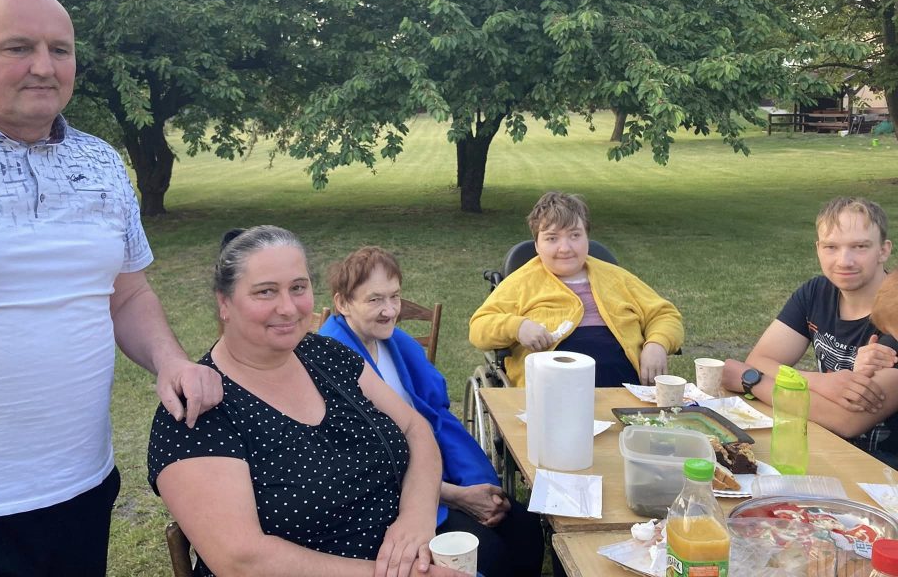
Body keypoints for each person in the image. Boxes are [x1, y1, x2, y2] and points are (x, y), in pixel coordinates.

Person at [0, 0, 222, 577]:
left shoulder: (99, 161)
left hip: (80, 488)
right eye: (18, 48)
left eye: (60, 50)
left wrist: (170, 360)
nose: (43, 66)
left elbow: (127, 292)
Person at [149, 226, 461, 577]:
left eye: (298, 288)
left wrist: (417, 517)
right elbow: (241, 561)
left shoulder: (326, 354)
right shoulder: (197, 409)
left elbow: (414, 427)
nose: (288, 308)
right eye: (266, 292)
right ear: (225, 303)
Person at [320, 247, 544, 577]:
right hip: (388, 498)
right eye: (375, 300)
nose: (389, 310)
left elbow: (437, 418)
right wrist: (460, 497)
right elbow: (365, 465)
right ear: (342, 303)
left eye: (395, 296)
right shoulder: (331, 362)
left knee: (524, 527)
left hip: (433, 470)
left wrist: (476, 484)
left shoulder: (396, 344)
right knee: (490, 554)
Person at [722, 196, 898, 465]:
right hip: (822, 445)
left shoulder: (893, 311)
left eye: (860, 246)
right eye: (831, 247)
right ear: (818, 249)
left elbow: (847, 419)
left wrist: (753, 382)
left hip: (880, 469)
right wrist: (819, 382)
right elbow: (760, 360)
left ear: (884, 251)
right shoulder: (816, 293)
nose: (844, 261)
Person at [469, 191, 684, 387]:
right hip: (551, 393)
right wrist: (518, 327)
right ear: (537, 245)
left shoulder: (618, 278)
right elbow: (479, 326)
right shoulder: (521, 282)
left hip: (626, 391)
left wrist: (657, 344)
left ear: (587, 238)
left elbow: (664, 315)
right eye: (552, 238)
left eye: (574, 235)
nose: (565, 248)